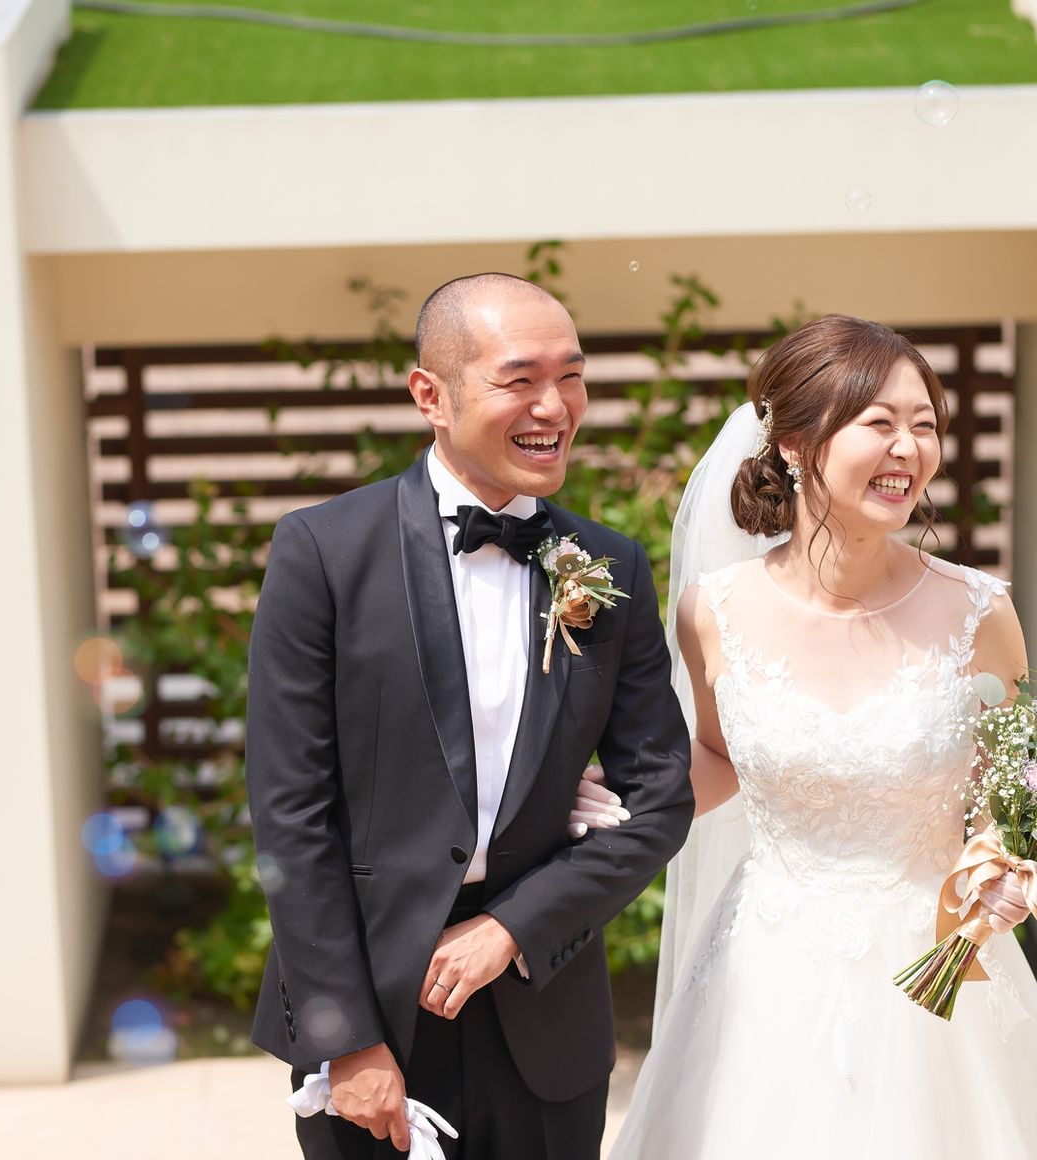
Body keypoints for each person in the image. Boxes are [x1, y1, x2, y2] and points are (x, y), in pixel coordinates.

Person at [245, 272, 694, 1160]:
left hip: (546, 1014)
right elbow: (291, 814)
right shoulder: (323, 552)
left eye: (572, 376)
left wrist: (513, 926)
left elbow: (661, 798)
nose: (554, 406)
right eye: (520, 378)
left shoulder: (610, 566)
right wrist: (345, 1036)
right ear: (431, 396)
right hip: (374, 1021)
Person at [609, 314, 1037, 1159]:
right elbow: (719, 758)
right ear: (796, 445)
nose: (909, 448)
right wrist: (614, 803)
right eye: (880, 423)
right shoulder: (712, 611)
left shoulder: (981, 611)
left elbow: (1013, 784)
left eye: (925, 425)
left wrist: (1004, 863)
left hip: (933, 970)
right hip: (762, 972)